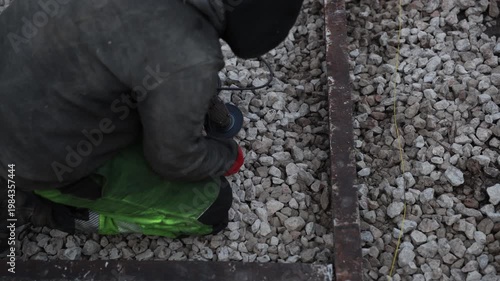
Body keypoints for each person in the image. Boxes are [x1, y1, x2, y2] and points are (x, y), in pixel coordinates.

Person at [0, 0, 304, 239]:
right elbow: (175, 161)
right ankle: (33, 207)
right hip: (28, 162)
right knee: (210, 207)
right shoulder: (186, 54)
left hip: (20, 93)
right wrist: (226, 157)